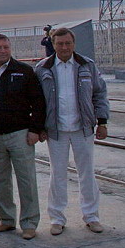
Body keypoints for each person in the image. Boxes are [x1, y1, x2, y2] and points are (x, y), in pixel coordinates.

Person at [34, 27, 109, 235]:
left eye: (68, 43)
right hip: (55, 131)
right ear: (53, 45)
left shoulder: (87, 66)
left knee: (86, 173)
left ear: (73, 44)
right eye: (60, 44)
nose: (64, 47)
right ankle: (57, 218)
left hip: (82, 129)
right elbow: (37, 101)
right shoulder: (43, 68)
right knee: (57, 174)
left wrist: (102, 121)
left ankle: (91, 216)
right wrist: (39, 127)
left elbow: (99, 93)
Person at [0, 34, 46, 240]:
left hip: (20, 135)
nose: (3, 51)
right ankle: (6, 220)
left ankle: (29, 223)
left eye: (6, 47)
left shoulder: (24, 71)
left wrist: (35, 129)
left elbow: (39, 103)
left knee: (27, 180)